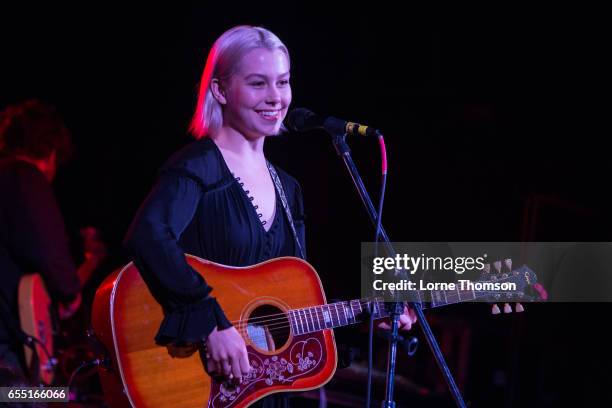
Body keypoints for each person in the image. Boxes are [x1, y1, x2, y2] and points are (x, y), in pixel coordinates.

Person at [124, 25, 416, 407]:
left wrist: (366, 328)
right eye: (258, 83)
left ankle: (503, 281)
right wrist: (211, 322)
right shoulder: (197, 168)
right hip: (197, 385)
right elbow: (147, 236)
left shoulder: (288, 188)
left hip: (261, 392)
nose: (276, 97)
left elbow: (292, 316)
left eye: (283, 82)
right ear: (220, 90)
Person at [0, 99, 82, 381]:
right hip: (9, 347)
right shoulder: (25, 178)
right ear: (50, 152)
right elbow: (48, 250)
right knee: (36, 398)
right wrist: (70, 291)